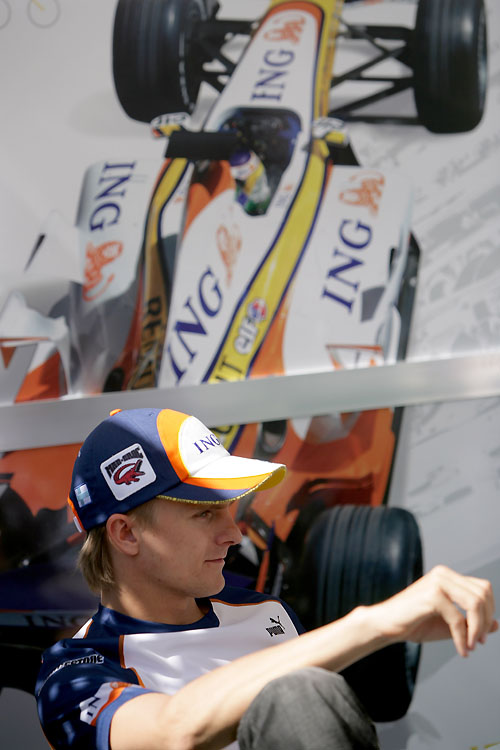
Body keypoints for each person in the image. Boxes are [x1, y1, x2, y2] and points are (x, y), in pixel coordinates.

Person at [36, 407, 497, 750]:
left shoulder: (265, 613)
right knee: (297, 695)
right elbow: (175, 730)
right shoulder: (73, 673)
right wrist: (373, 623)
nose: (233, 534)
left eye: (230, 511)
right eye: (205, 513)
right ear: (126, 533)